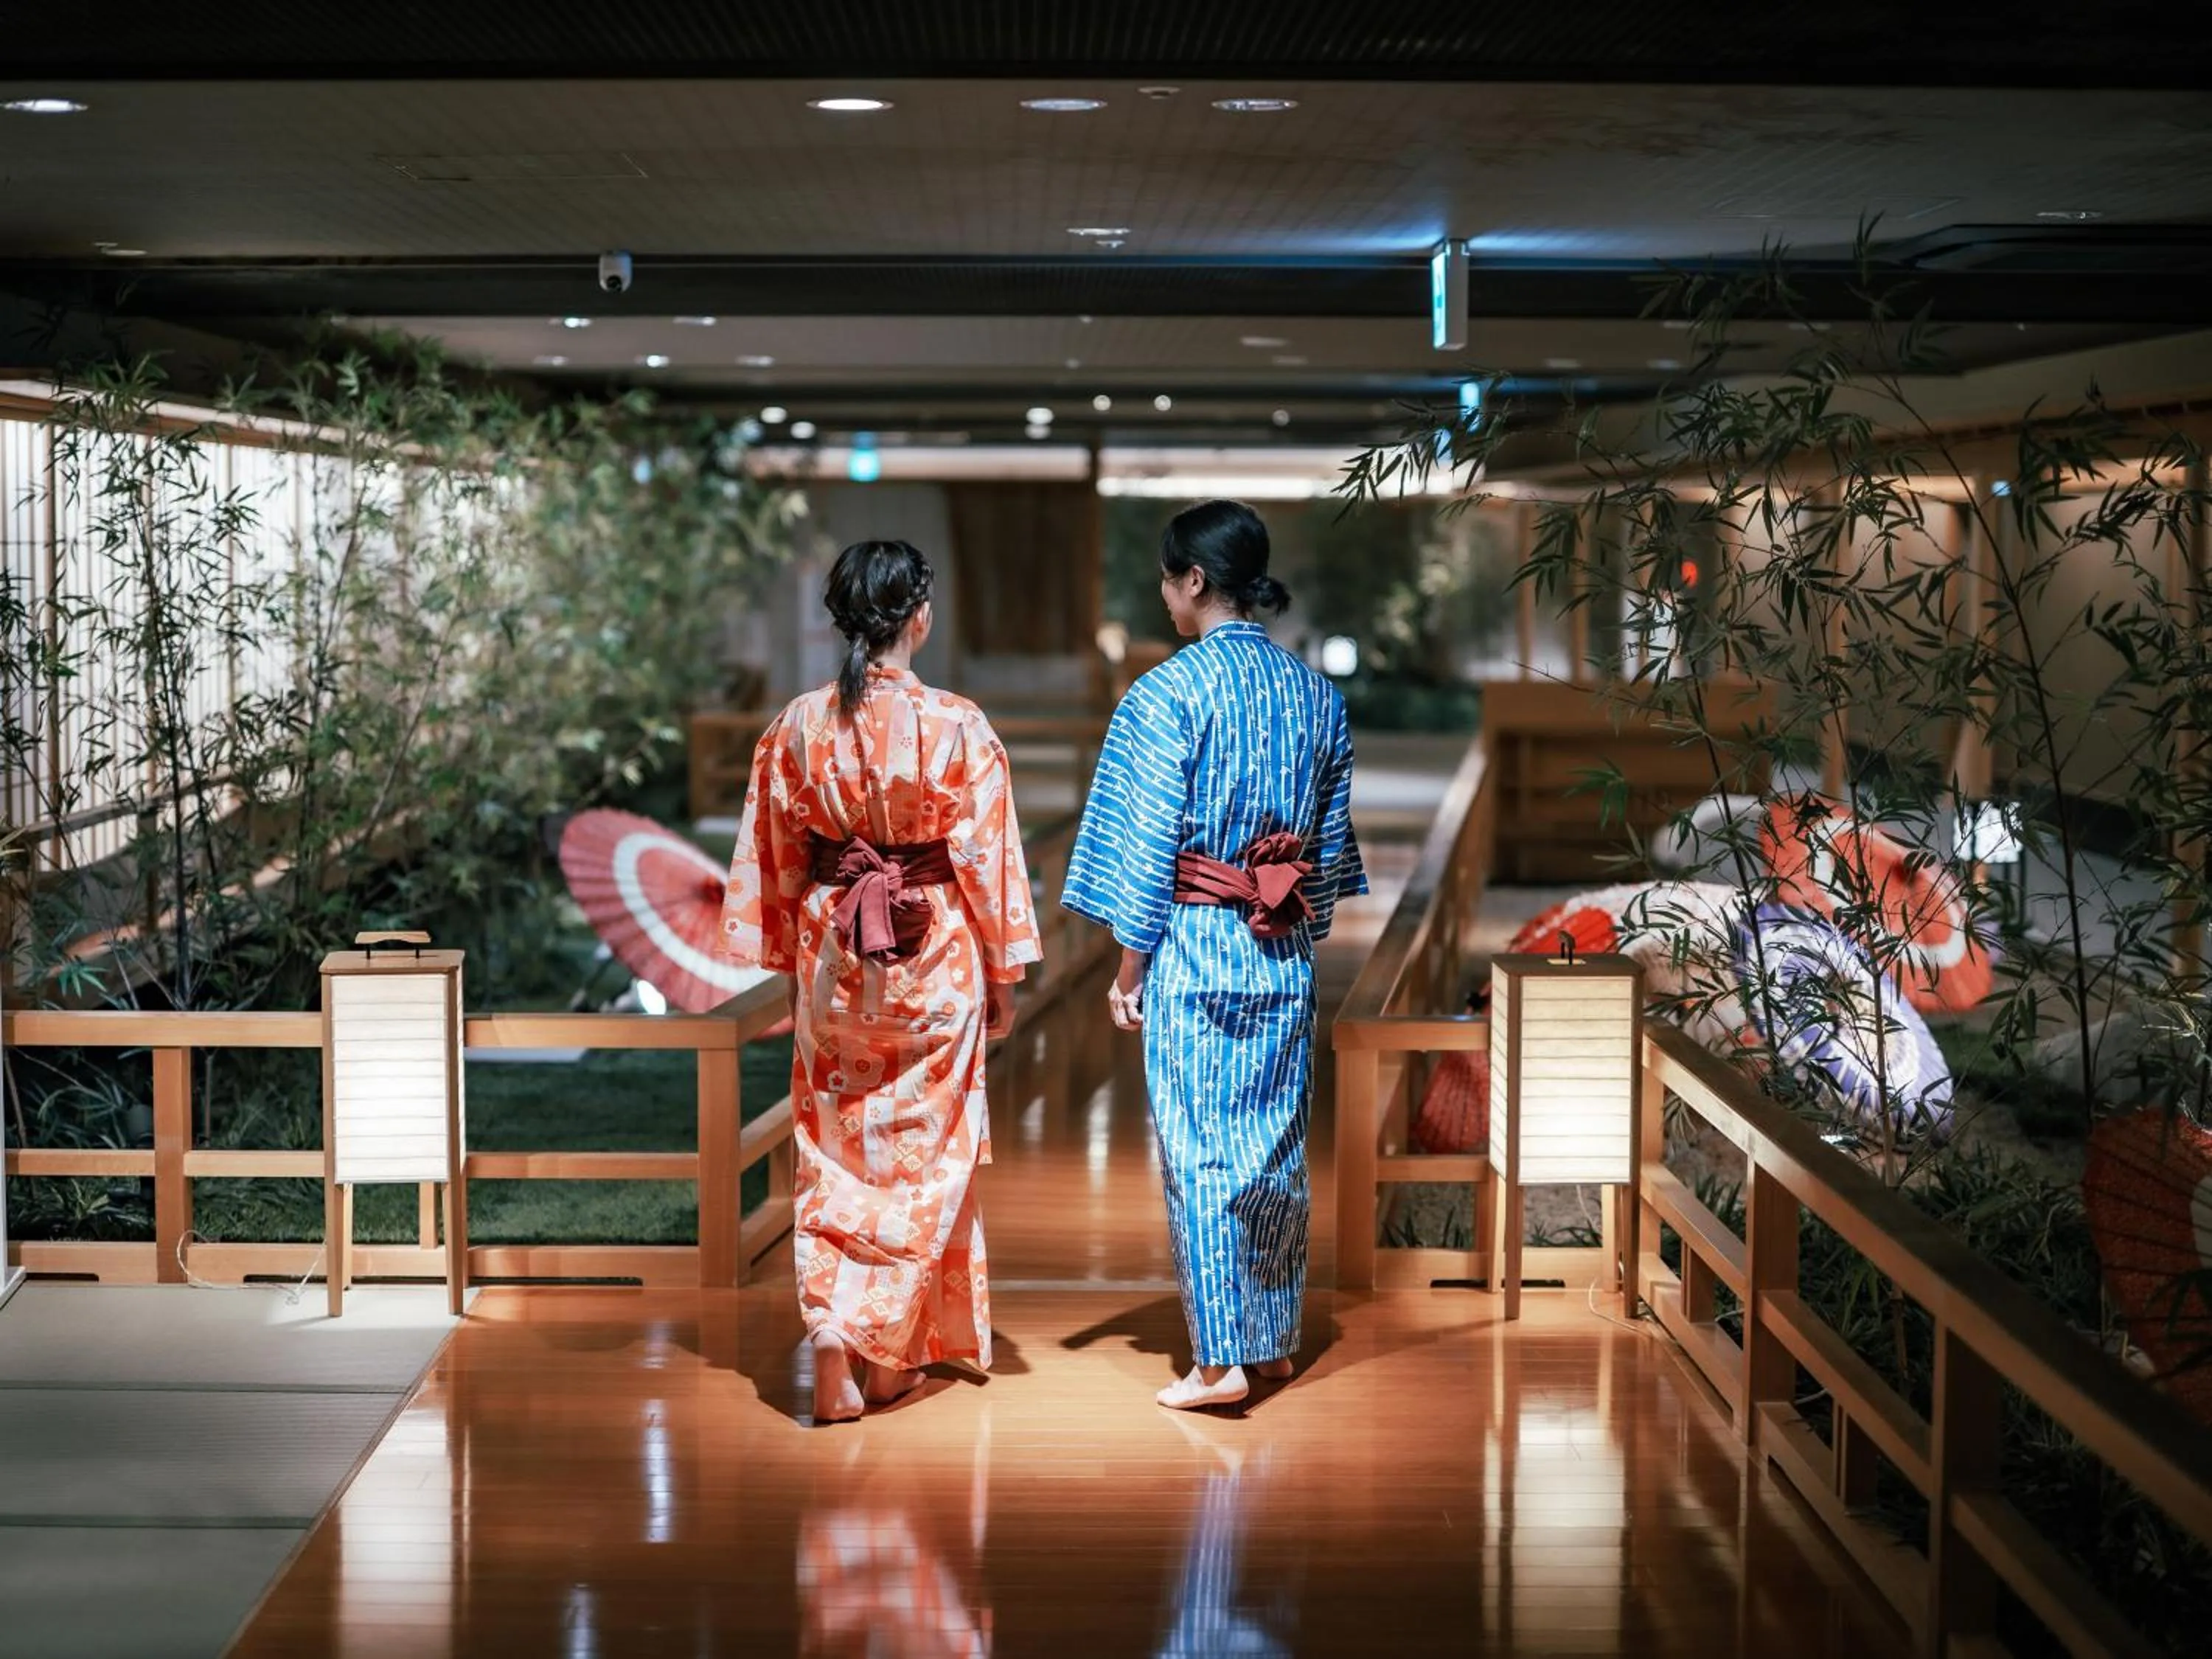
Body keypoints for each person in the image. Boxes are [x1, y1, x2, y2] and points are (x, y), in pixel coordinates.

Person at [722, 540, 1041, 1424]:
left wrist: (796, 967)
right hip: (935, 956)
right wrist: (1006, 974)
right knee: (928, 1156)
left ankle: (839, 1332)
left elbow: (778, 865)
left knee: (835, 1146)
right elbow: (985, 860)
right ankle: (886, 1340)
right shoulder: (958, 727)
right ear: (920, 616)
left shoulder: (796, 727)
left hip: (836, 956)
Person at [1062, 500, 1366, 1411]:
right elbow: (1325, 849)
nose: (1164, 592)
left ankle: (1220, 1357)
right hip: (1277, 949)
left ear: (1195, 580)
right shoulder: (1317, 695)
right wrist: (1298, 932)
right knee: (1273, 1146)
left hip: (1195, 943)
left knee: (1199, 1148)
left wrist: (1129, 966)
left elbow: (1148, 839)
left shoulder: (1167, 693)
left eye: (1167, 576)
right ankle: (1271, 1340)